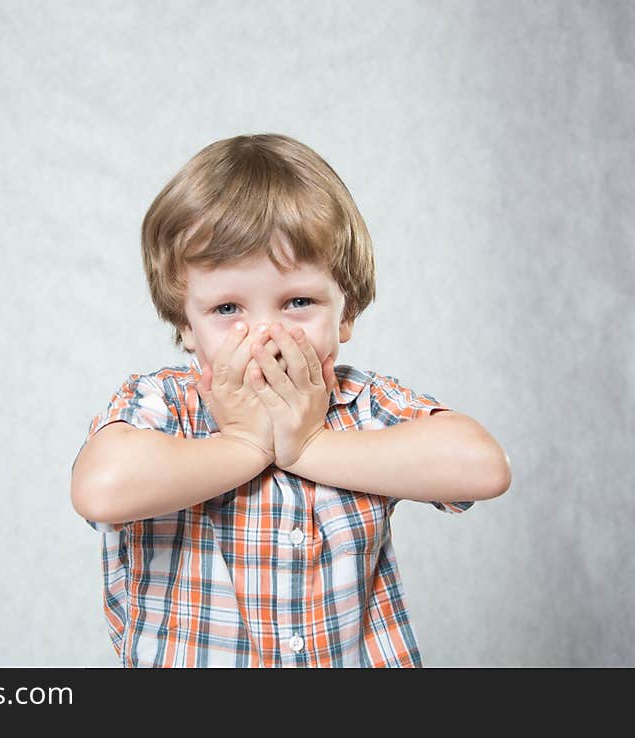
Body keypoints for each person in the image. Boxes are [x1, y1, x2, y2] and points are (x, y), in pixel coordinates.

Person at [70, 133, 512, 668]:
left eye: (298, 302)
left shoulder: (360, 406)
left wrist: (308, 445)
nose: (265, 334)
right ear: (186, 324)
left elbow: (482, 468)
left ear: (345, 313)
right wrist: (244, 443)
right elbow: (101, 488)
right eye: (228, 308)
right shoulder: (164, 405)